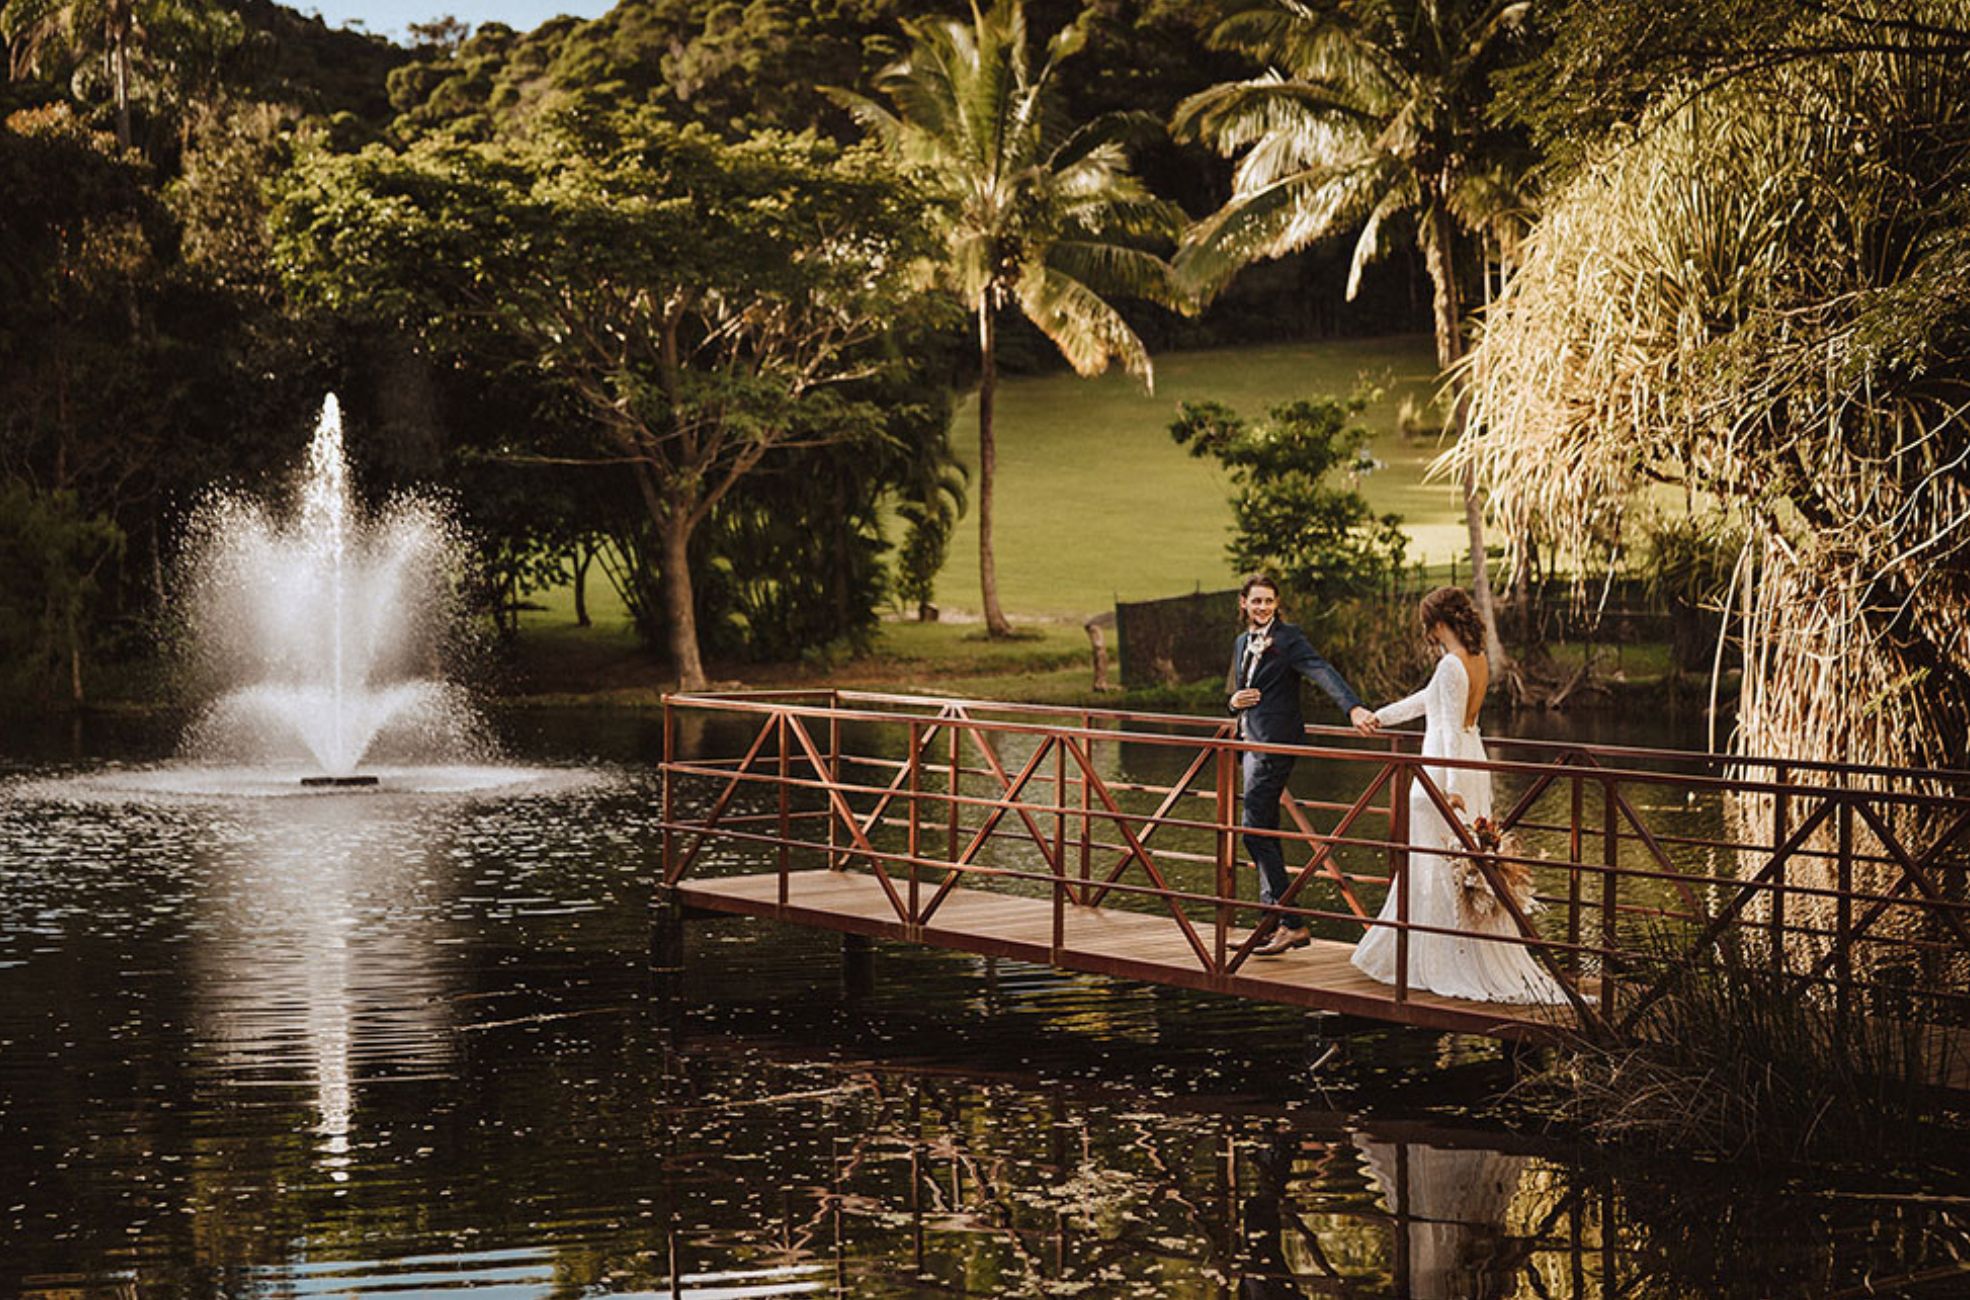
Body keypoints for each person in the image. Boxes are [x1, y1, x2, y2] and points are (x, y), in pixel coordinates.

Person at [1350, 587, 1571, 1002]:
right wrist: (1380, 717)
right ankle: (1443, 950)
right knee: (1453, 863)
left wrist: (1449, 788)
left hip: (1446, 767)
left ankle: (1442, 957)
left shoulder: (1452, 665)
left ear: (1435, 624)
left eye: (1426, 627)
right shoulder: (1477, 659)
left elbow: (1448, 727)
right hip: (1473, 760)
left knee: (1439, 864)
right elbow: (1428, 702)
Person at [1227, 574, 1381, 956]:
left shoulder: (1289, 639)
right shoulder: (1241, 642)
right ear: (1243, 603)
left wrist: (1353, 707)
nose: (1262, 607)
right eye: (1256, 601)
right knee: (1265, 830)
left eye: (1269, 601)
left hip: (1275, 745)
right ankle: (1272, 921)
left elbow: (1322, 672)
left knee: (1252, 833)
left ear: (1276, 605)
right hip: (1249, 744)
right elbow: (1233, 691)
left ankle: (1292, 923)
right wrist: (1233, 703)